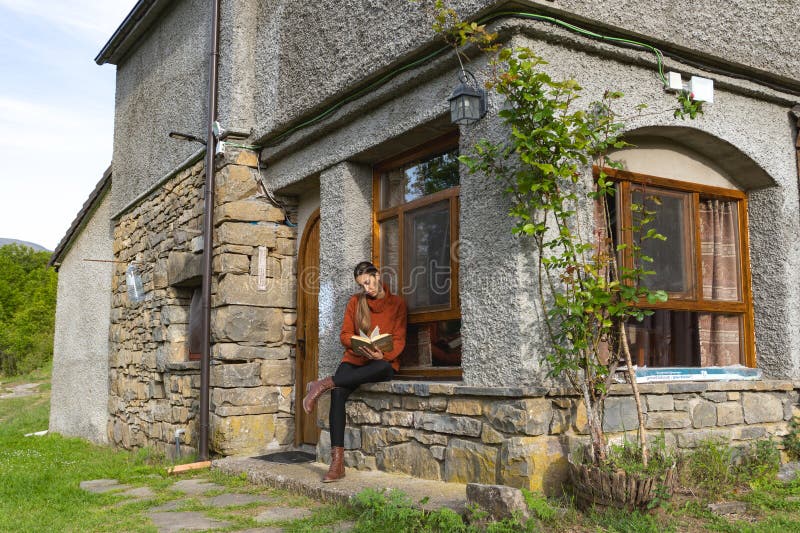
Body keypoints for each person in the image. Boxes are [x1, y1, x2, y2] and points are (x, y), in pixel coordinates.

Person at [301, 261, 407, 482]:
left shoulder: (397, 304)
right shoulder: (354, 303)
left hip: (381, 362)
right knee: (338, 394)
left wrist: (382, 354)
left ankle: (323, 383)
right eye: (362, 285)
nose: (367, 288)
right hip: (356, 358)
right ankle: (337, 464)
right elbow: (344, 335)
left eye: (368, 282)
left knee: (385, 367)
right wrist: (360, 344)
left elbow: (399, 339)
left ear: (377, 275)